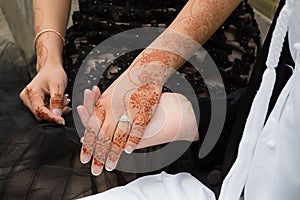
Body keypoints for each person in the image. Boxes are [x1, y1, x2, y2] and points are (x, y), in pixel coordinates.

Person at [0, 0, 260, 199]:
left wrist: (150, 69)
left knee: (125, 162)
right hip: (96, 34)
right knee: (22, 172)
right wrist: (49, 60)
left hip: (199, 41)